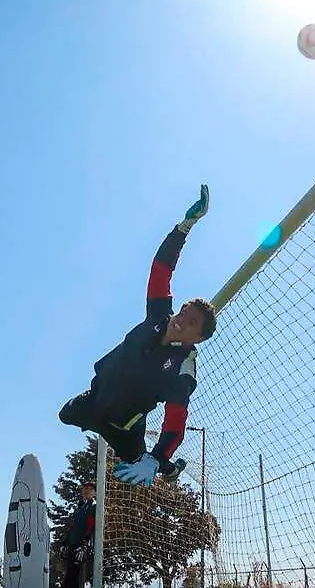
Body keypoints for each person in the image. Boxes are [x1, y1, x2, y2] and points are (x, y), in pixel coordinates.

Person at [58, 185, 217, 486]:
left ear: (197, 338)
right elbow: (160, 270)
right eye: (184, 311)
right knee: (65, 415)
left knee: (139, 466)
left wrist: (156, 458)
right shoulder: (159, 314)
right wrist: (183, 228)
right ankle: (165, 465)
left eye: (192, 322)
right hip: (96, 400)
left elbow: (176, 417)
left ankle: (167, 469)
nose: (182, 319)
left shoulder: (184, 366)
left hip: (124, 427)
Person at [62, 482, 96, 588]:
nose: (87, 491)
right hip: (72, 546)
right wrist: (65, 542)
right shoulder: (80, 507)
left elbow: (91, 526)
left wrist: (84, 544)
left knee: (77, 578)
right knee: (69, 578)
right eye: (85, 488)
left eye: (90, 489)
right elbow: (73, 527)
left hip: (82, 547)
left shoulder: (93, 507)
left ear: (94, 492)